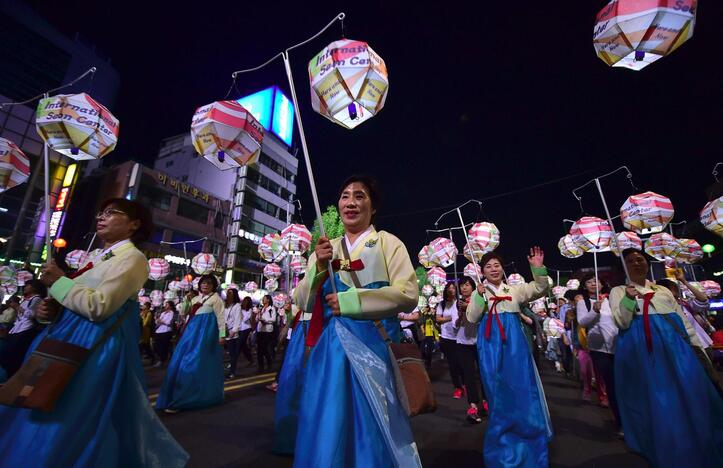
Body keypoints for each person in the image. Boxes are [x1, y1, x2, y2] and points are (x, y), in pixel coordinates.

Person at [0, 198, 188, 466]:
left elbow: (98, 306)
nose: (101, 217)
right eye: (101, 212)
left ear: (134, 224)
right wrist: (48, 309)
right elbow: (73, 298)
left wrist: (60, 281)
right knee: (43, 402)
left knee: (68, 414)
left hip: (90, 346)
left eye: (112, 213)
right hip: (65, 338)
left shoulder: (133, 259)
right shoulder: (97, 257)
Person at [293, 175, 421, 467]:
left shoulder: (388, 243)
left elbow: (408, 293)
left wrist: (352, 301)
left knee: (374, 422)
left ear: (373, 207)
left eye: (360, 196)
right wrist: (319, 267)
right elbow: (302, 301)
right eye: (345, 196)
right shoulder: (326, 249)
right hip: (332, 351)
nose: (351, 202)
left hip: (374, 348)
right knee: (330, 421)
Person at [609, 249, 723, 468]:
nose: (636, 263)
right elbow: (622, 322)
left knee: (689, 392)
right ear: (623, 266)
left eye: (640, 259)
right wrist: (629, 300)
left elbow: (683, 322)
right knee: (658, 398)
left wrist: (695, 346)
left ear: (648, 263)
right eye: (630, 261)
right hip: (643, 354)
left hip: (676, 350)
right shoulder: (619, 291)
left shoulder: (662, 290)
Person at [466, 248, 553, 468]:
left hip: (515, 347)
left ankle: (529, 439)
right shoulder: (481, 291)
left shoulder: (514, 290)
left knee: (522, 389)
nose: (493, 269)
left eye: (496, 265)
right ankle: (503, 444)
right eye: (488, 266)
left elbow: (541, 287)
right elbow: (472, 317)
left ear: (502, 268)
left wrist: (537, 267)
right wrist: (478, 294)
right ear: (482, 271)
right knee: (498, 393)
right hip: (490, 347)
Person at [156, 274, 225, 413]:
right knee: (181, 362)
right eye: (203, 283)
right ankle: (176, 396)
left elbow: (221, 318)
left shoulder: (216, 299)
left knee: (194, 363)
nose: (205, 285)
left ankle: (185, 398)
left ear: (213, 286)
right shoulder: (194, 298)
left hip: (205, 335)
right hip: (190, 333)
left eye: (209, 283)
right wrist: (186, 301)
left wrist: (222, 336)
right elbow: (183, 313)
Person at [576, 273, 620, 425]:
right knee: (611, 383)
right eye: (589, 281)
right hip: (598, 348)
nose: (594, 283)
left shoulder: (612, 299)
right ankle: (619, 421)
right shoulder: (584, 302)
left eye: (596, 281)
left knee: (622, 382)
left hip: (618, 345)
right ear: (584, 286)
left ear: (602, 284)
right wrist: (594, 310)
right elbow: (582, 322)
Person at [272, 300, 309, 455]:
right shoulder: (298, 308)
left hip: (319, 329)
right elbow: (289, 320)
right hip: (301, 333)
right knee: (294, 382)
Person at [453, 275, 486, 423]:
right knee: (468, 375)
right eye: (462, 285)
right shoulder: (457, 303)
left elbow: (482, 316)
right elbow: (456, 325)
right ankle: (473, 406)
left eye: (467, 284)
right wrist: (460, 316)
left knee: (484, 373)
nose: (464, 287)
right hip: (463, 342)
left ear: (473, 287)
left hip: (480, 341)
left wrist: (470, 307)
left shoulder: (481, 299)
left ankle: (486, 401)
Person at [0, 279, 46, 380]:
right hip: (17, 329)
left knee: (9, 355)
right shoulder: (27, 299)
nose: (25, 287)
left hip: (24, 329)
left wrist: (17, 307)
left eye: (28, 285)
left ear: (34, 287)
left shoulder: (36, 299)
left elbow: (31, 315)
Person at [436, 282, 464, 399]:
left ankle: (465, 384)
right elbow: (438, 319)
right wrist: (450, 317)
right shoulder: (442, 304)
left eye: (453, 288)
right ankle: (457, 387)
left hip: (461, 336)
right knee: (452, 364)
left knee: (462, 363)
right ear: (446, 290)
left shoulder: (460, 302)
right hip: (447, 337)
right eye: (449, 288)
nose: (451, 290)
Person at [224, 288, 243, 379]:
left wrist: (233, 331)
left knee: (232, 354)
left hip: (232, 333)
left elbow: (238, 320)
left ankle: (232, 372)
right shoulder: (225, 305)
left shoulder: (237, 306)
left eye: (231, 293)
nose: (229, 294)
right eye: (228, 293)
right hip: (223, 331)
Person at [256, 294, 277, 373]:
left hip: (267, 330)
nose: (263, 300)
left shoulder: (271, 309)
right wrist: (258, 316)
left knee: (264, 348)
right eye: (263, 299)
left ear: (268, 300)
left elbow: (273, 319)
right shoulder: (261, 308)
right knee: (259, 350)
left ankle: (269, 363)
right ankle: (260, 367)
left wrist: (265, 320)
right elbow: (257, 318)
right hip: (260, 330)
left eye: (264, 299)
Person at [153, 301, 175, 367]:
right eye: (165, 304)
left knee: (163, 346)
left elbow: (168, 322)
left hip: (166, 331)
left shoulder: (171, 313)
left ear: (171, 306)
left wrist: (160, 321)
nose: (165, 305)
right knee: (157, 346)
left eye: (167, 304)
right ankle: (161, 358)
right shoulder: (163, 313)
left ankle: (162, 360)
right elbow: (157, 322)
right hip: (159, 331)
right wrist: (157, 319)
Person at [238, 296, 255, 367]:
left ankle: (234, 360)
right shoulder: (239, 308)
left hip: (246, 328)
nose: (245, 302)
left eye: (247, 301)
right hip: (239, 328)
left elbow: (245, 319)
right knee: (243, 345)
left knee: (240, 343)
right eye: (244, 300)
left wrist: (240, 314)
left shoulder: (249, 310)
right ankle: (250, 359)